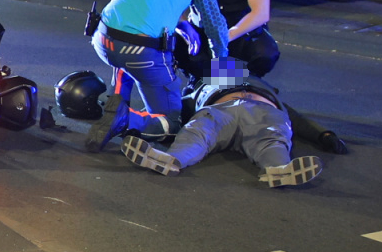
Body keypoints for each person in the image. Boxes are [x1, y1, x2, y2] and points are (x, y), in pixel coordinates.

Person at [87, 0, 233, 149]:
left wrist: (181, 24)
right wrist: (223, 66)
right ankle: (125, 119)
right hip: (141, 52)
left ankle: (116, 100)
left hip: (103, 39)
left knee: (124, 54)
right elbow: (216, 26)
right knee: (171, 124)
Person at [121, 75, 322, 188]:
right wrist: (136, 122)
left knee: (272, 138)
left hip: (262, 111)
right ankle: (170, 160)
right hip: (222, 111)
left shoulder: (254, 79)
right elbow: (173, 112)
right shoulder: (204, 84)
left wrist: (323, 134)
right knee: (198, 130)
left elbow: (297, 117)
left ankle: (278, 169)